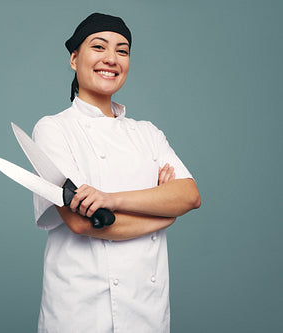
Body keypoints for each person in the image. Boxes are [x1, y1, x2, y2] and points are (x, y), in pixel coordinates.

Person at [32, 13, 201, 332]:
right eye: (99, 46)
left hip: (146, 310)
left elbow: (189, 195)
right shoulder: (53, 130)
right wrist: (163, 213)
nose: (111, 58)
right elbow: (80, 222)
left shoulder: (148, 133)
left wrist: (109, 199)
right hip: (80, 311)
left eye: (122, 51)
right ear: (74, 58)